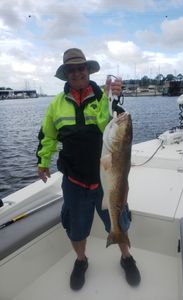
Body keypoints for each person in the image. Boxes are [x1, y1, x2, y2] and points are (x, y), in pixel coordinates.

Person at [36, 48, 141, 290]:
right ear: (66, 74)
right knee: (76, 227)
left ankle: (126, 256)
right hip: (74, 181)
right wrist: (43, 161)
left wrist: (116, 98)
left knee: (119, 221)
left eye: (81, 68)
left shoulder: (103, 98)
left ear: (87, 70)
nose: (77, 73)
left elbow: (115, 122)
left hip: (106, 180)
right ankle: (81, 260)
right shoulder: (56, 105)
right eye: (72, 69)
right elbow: (47, 136)